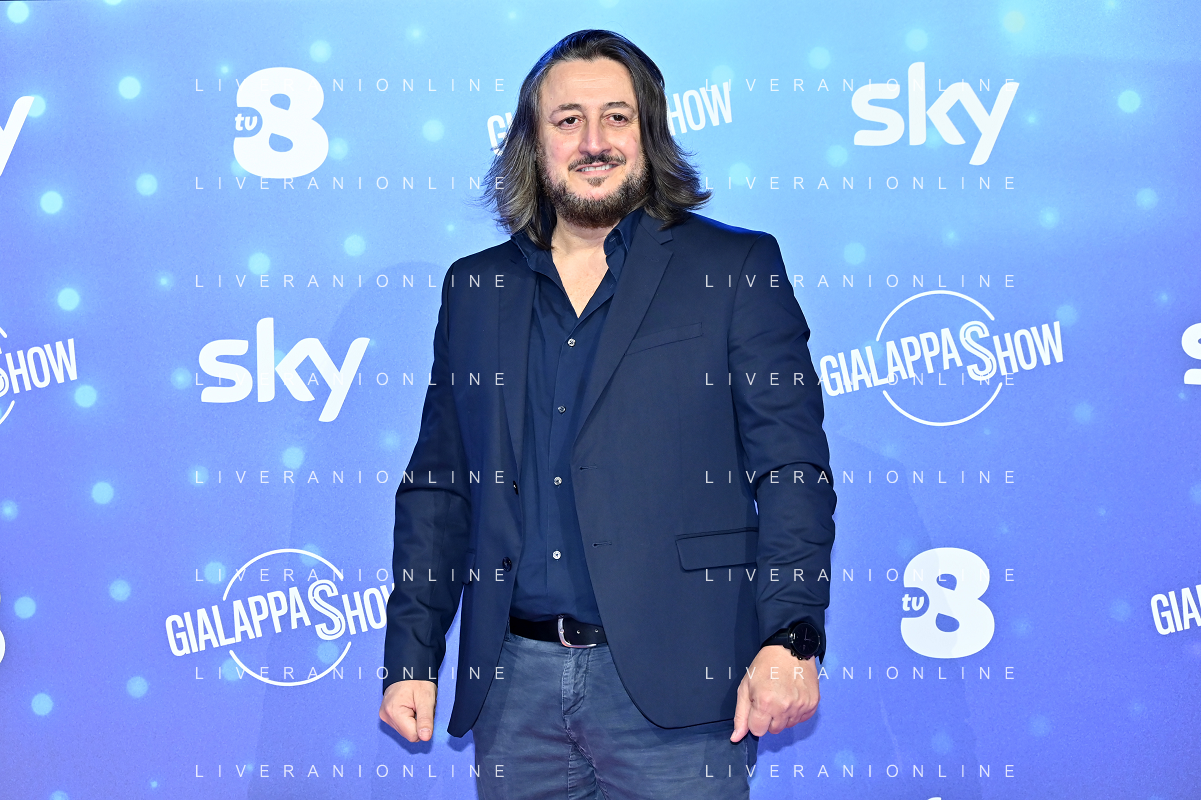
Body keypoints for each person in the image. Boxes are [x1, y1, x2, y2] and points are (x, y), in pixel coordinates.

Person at [379, 29, 837, 799]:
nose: (593, 141)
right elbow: (438, 489)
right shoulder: (474, 289)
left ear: (648, 132)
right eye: (568, 120)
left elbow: (791, 470)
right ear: (533, 142)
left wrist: (790, 635)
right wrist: (412, 654)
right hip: (515, 690)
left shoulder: (734, 269)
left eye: (616, 117)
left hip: (680, 687)